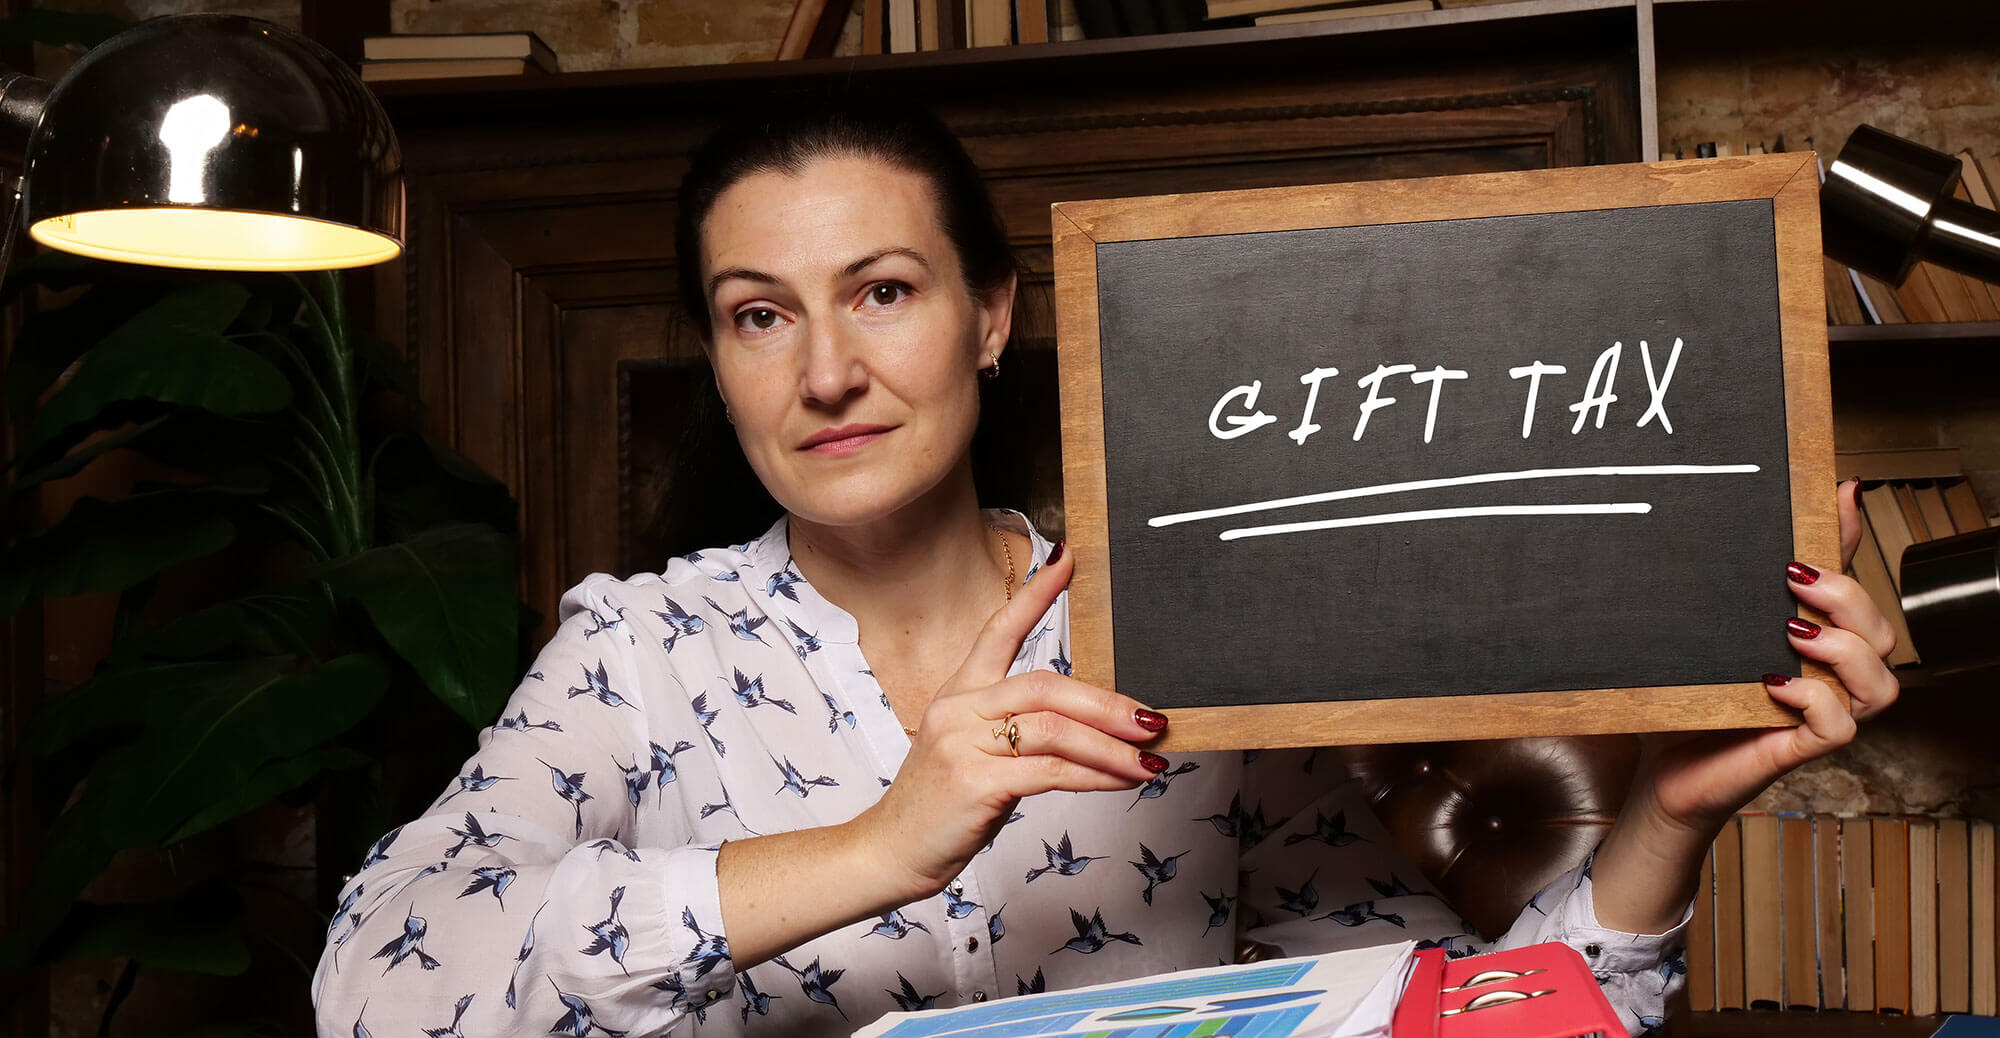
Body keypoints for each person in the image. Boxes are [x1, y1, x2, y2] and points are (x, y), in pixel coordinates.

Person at [310, 98, 1898, 1038]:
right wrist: (878, 845)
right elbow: (375, 986)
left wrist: (1673, 812)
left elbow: (1446, 1015)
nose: (826, 370)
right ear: (719, 363)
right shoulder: (638, 652)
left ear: (993, 317)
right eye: (758, 313)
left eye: (882, 291)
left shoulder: (1171, 630)